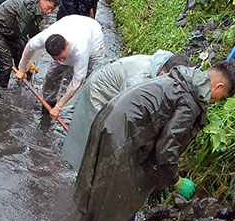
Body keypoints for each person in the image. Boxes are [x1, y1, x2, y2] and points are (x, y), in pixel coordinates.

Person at [75, 61, 235, 221]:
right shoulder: (191, 99)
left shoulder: (182, 78)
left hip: (111, 125)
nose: (213, 102)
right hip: (121, 138)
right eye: (218, 99)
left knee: (111, 197)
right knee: (120, 210)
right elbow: (167, 147)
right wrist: (175, 181)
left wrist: (158, 180)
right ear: (218, 86)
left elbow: (159, 132)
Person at [60, 51, 190, 170]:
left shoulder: (167, 66)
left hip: (118, 84)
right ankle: (84, 171)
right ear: (162, 74)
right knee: (97, 137)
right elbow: (126, 112)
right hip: (99, 91)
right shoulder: (139, 80)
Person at [14, 15, 104, 117]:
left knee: (91, 81)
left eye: (62, 57)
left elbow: (78, 81)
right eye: (57, 58)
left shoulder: (81, 50)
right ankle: (48, 105)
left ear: (67, 44)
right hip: (69, 22)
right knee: (52, 76)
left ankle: (86, 114)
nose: (61, 60)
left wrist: (59, 107)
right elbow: (30, 47)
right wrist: (22, 69)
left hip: (93, 39)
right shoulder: (45, 38)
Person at [0, 0, 61, 88]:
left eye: (52, 9)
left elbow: (34, 32)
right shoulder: (28, 10)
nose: (49, 11)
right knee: (6, 67)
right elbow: (23, 35)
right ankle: (1, 90)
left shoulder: (38, 8)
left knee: (23, 60)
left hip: (12, 29)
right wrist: (28, 61)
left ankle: (25, 85)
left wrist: (29, 62)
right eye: (48, 7)